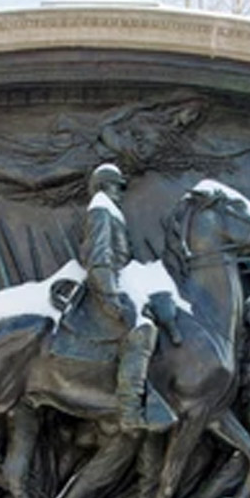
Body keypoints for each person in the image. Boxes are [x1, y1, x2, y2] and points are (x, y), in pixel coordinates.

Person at [80, 163, 158, 431]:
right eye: (117, 186)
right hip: (106, 286)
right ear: (103, 187)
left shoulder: (111, 211)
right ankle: (129, 410)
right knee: (141, 332)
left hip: (118, 281)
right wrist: (110, 298)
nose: (121, 193)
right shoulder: (101, 209)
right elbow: (99, 259)